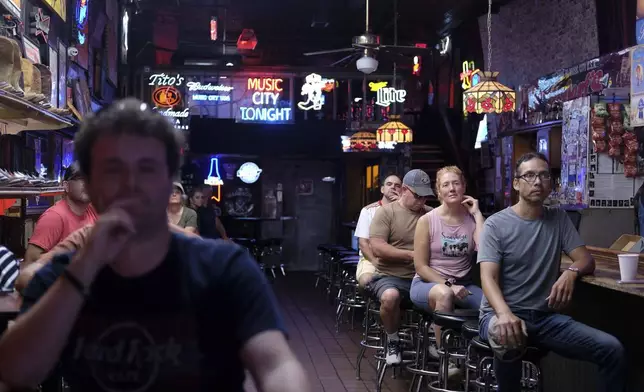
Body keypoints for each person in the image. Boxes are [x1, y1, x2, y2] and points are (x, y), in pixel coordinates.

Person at [0, 98, 308, 392]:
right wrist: (86, 263)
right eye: (113, 170)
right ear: (90, 187)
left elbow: (276, 366)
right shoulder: (66, 275)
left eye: (147, 168)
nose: (131, 183)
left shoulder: (223, 268)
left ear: (168, 184)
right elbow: (16, 370)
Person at [477, 152, 626, 392]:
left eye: (544, 175)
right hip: (500, 314)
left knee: (612, 349)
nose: (537, 181)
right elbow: (488, 277)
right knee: (507, 340)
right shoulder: (496, 224)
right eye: (529, 175)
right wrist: (504, 313)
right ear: (516, 183)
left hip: (545, 319)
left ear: (551, 183)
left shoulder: (558, 218)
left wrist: (571, 272)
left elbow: (585, 260)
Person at [410, 166, 485, 374]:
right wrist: (449, 284)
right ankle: (446, 357)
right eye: (445, 185)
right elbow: (420, 266)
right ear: (438, 191)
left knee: (491, 306)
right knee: (444, 295)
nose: (451, 188)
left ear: (464, 187)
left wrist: (477, 214)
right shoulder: (427, 220)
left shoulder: (471, 220)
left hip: (465, 286)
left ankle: (479, 361)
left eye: (456, 183)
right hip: (428, 284)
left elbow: (485, 250)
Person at [369, 169, 434, 365]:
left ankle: (434, 339)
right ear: (404, 190)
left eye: (425, 197)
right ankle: (393, 340)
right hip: (390, 275)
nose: (422, 201)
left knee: (445, 294)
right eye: (418, 196)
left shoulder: (431, 214)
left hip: (422, 278)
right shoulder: (386, 212)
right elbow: (377, 247)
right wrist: (412, 256)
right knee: (390, 297)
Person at [24, 163, 97, 265]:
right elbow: (31, 260)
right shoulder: (54, 217)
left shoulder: (93, 211)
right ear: (66, 186)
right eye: (81, 178)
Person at [354, 175, 401, 288]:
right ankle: (370, 304)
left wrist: (402, 206)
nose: (393, 187)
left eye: (397, 186)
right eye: (389, 184)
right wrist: (375, 261)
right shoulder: (368, 211)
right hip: (371, 259)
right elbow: (363, 243)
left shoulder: (406, 211)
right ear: (382, 189)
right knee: (367, 281)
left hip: (398, 262)